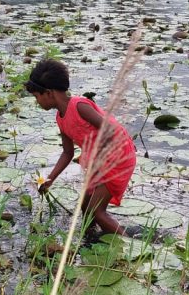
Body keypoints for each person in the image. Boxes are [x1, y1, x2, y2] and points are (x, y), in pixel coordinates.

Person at [25, 59, 137, 237]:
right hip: (99, 162)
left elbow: (109, 130)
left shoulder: (79, 106)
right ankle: (91, 240)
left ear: (48, 93)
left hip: (117, 157)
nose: (37, 101)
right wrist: (50, 179)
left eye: (36, 96)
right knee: (84, 207)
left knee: (97, 212)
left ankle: (127, 244)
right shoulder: (60, 118)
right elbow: (67, 153)